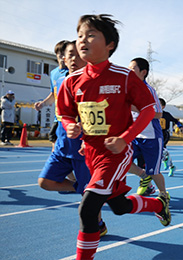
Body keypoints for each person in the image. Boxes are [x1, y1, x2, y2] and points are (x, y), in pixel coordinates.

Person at [56, 14, 171, 260]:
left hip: (116, 154)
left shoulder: (124, 76)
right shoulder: (71, 81)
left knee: (88, 210)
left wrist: (125, 138)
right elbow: (64, 112)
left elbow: (149, 109)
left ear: (110, 45)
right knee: (119, 207)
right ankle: (159, 205)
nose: (82, 41)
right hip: (90, 153)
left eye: (90, 35)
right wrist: (69, 126)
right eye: (79, 36)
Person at [37, 40, 107, 236]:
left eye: (78, 54)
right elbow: (60, 110)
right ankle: (83, 189)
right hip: (62, 142)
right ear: (64, 58)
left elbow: (100, 116)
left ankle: (98, 225)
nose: (74, 58)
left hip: (84, 146)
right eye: (70, 55)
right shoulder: (60, 79)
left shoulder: (94, 81)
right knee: (45, 182)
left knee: (87, 201)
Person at [127, 57, 170, 201]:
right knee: (122, 161)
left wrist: (135, 108)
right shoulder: (128, 89)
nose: (128, 72)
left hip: (151, 137)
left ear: (143, 72)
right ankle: (144, 177)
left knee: (154, 171)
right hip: (133, 136)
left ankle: (163, 194)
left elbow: (158, 113)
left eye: (132, 69)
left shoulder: (149, 90)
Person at [34, 40, 69, 150]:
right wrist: (42, 104)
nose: (62, 55)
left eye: (65, 53)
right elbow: (53, 95)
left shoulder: (73, 71)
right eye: (60, 52)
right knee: (54, 143)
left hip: (71, 118)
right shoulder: (54, 73)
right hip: (57, 117)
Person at [159, 98, 183, 176]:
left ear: (163, 106)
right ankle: (171, 166)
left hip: (164, 134)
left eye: (158, 104)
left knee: (162, 149)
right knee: (160, 152)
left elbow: (175, 120)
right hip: (155, 135)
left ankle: (166, 160)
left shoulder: (166, 115)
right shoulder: (152, 114)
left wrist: (180, 126)